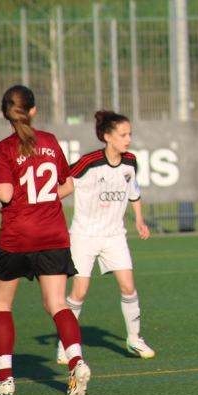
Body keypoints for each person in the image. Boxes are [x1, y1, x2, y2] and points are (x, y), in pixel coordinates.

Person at [0, 85, 91, 395]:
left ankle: (4, 379)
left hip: (17, 236)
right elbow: (67, 186)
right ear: (33, 110)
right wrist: (45, 200)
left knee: (2, 305)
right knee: (57, 304)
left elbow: (5, 194)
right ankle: (76, 362)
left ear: (5, 114)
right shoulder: (50, 141)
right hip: (53, 233)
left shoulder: (2, 149)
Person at [56, 110, 155, 362]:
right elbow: (63, 185)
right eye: (123, 135)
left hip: (114, 236)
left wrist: (139, 220)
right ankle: (66, 344)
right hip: (84, 236)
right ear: (108, 136)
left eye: (130, 134)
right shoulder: (88, 163)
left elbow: (134, 191)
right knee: (79, 292)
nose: (128, 139)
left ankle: (134, 339)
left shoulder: (130, 162)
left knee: (128, 287)